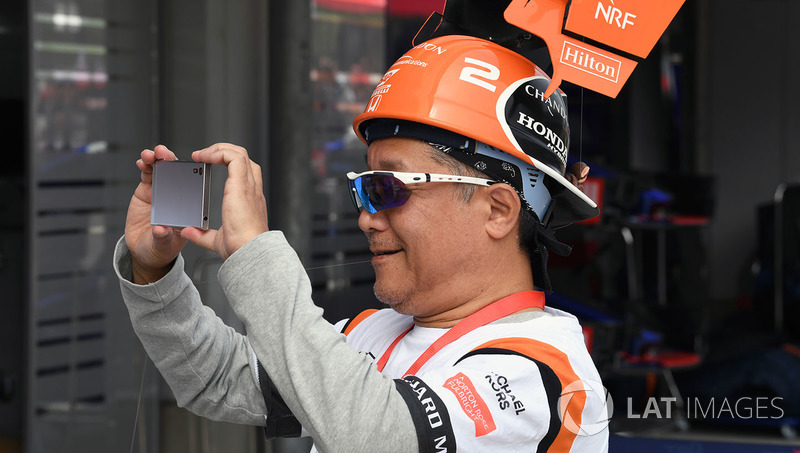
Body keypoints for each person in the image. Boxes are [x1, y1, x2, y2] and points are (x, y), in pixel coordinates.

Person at [115, 34, 609, 451]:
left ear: (498, 210)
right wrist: (154, 274)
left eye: (388, 188)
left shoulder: (546, 374)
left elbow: (379, 437)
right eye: (363, 188)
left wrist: (256, 255)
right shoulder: (375, 331)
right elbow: (216, 380)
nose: (366, 218)